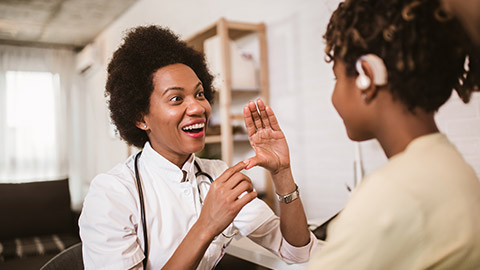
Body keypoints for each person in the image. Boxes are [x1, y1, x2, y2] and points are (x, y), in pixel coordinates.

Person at [245, 0, 480, 269]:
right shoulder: (454, 167)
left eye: (337, 79)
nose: (334, 97)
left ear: (366, 77)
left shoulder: (391, 195)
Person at [78, 25, 317, 269]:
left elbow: (296, 251)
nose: (198, 108)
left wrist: (282, 173)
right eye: (176, 98)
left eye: (200, 94)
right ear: (141, 118)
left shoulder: (217, 174)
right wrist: (207, 224)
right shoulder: (111, 193)